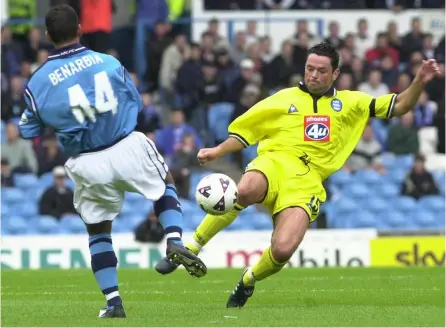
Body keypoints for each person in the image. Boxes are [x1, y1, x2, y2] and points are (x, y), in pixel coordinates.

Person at [155, 42, 441, 307]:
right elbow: (246, 132)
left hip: (307, 180)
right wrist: (217, 151)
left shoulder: (352, 103)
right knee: (244, 189)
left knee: (282, 249)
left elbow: (399, 106)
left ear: (335, 73)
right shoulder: (282, 99)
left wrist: (418, 81)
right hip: (274, 162)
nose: (314, 75)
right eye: (309, 69)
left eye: (321, 70)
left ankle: (248, 280)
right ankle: (190, 247)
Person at [17, 5, 206, 319]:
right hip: (124, 144)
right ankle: (173, 239)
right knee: (164, 186)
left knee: (98, 231)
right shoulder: (108, 61)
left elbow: (27, 129)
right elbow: (133, 98)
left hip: (86, 160)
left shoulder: (38, 82)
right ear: (80, 29)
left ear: (48, 36)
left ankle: (114, 302)